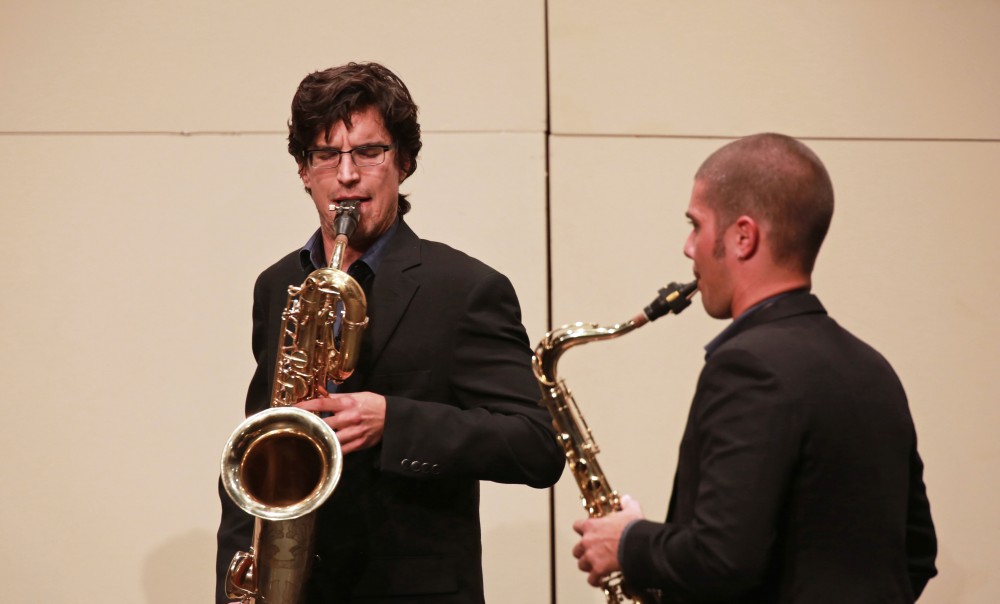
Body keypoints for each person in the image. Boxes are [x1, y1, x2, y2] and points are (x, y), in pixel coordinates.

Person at [215, 62, 565, 604]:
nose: (347, 175)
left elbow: (538, 447)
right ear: (304, 171)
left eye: (369, 152)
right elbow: (260, 449)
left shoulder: (466, 288)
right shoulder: (278, 284)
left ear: (403, 162)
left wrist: (394, 422)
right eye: (326, 154)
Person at [571, 133, 937, 603]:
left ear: (743, 236)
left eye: (696, 225)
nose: (688, 247)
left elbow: (722, 559)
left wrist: (627, 542)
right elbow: (916, 555)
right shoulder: (873, 368)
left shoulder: (748, 365)